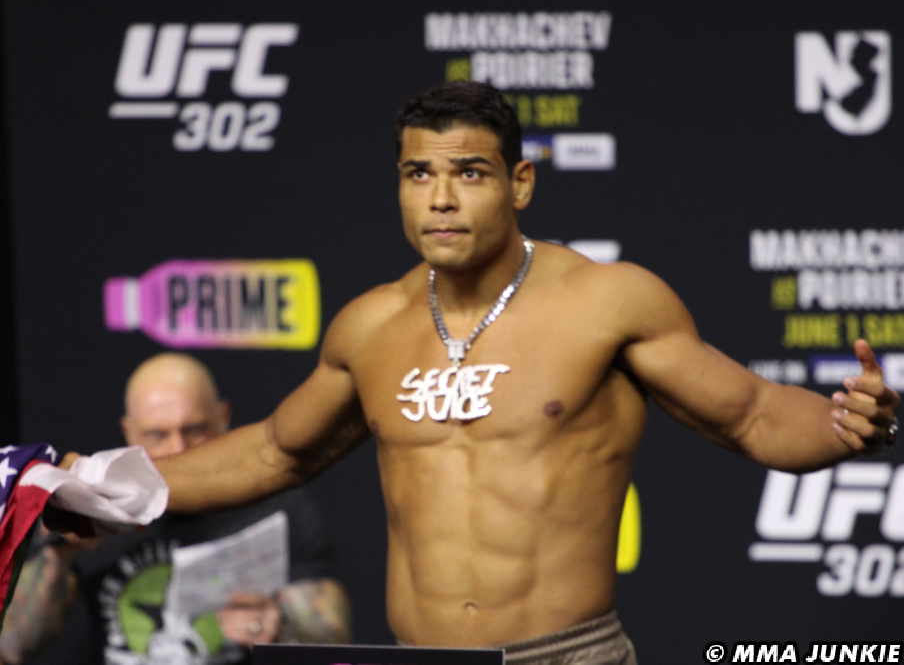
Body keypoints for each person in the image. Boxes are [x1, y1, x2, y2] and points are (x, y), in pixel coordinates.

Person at [63, 82, 900, 665]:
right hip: (418, 658)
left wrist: (844, 426)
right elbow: (274, 452)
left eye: (469, 173)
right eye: (418, 174)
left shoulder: (605, 303)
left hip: (565, 655)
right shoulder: (371, 327)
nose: (441, 199)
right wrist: (105, 487)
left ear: (519, 182)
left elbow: (752, 414)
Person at [0, 353, 351, 665]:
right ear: (129, 432)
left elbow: (335, 643)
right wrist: (59, 554)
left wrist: (279, 626)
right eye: (157, 434)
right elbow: (12, 644)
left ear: (224, 417)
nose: (178, 448)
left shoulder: (276, 505)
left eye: (195, 429)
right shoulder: (98, 507)